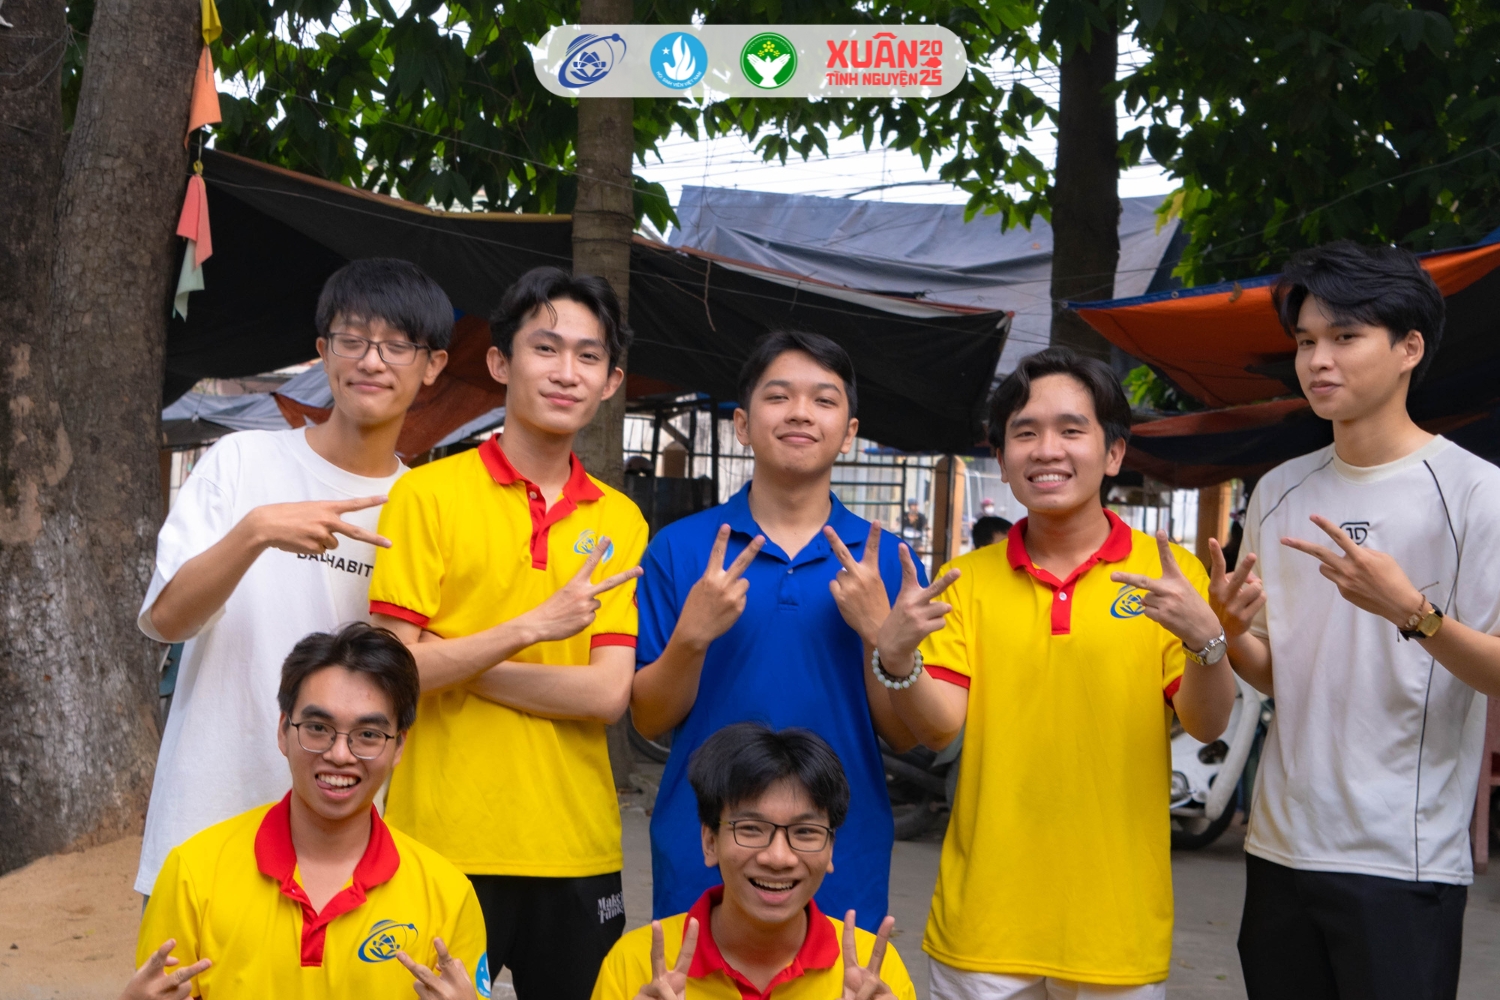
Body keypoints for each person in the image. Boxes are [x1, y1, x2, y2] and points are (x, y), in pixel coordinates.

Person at [875, 346, 1243, 998]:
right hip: (984, 922)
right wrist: (896, 655)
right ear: (1002, 455)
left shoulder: (1169, 576)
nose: (1047, 450)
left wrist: (1207, 639)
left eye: (1072, 430)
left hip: (1115, 925)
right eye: (1025, 432)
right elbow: (940, 730)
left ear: (1113, 453)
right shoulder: (966, 582)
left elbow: (1206, 721)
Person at [1214, 241, 1500, 1000]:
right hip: (1279, 845)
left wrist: (1412, 613)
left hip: (1400, 860)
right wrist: (1230, 630)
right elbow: (1279, 670)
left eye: (1345, 337)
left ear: (1409, 348)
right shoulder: (1277, 490)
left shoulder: (1475, 493)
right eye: (1306, 341)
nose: (1318, 360)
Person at [368, 266, 648, 1000]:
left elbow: (605, 695)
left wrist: (448, 657)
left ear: (611, 380)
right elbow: (387, 672)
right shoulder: (425, 494)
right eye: (545, 348)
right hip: (442, 841)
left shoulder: (620, 519)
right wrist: (533, 629)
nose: (566, 372)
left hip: (577, 846)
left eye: (589, 357)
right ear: (501, 363)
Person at [133, 258, 452, 898]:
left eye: (396, 345)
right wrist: (256, 532)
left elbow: (430, 660)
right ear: (322, 351)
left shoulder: (430, 504)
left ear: (433, 365)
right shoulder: (241, 461)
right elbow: (166, 621)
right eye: (353, 339)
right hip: (206, 813)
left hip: (347, 843)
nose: (372, 361)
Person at [632, 331, 925, 930]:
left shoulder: (887, 561)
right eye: (779, 396)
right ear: (742, 424)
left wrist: (878, 634)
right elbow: (649, 719)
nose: (799, 413)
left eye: (823, 399)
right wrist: (691, 637)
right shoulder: (680, 550)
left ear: (848, 432)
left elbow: (903, 735)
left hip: (844, 848)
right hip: (704, 847)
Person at [125, 623, 489, 1000]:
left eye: (368, 735)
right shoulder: (192, 874)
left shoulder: (448, 894)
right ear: (284, 730)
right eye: (318, 727)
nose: (340, 754)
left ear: (398, 747)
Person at [590, 723, 917, 1000]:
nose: (778, 858)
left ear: (831, 848)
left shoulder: (874, 974)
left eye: (805, 831)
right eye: (750, 828)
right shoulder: (635, 965)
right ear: (709, 841)